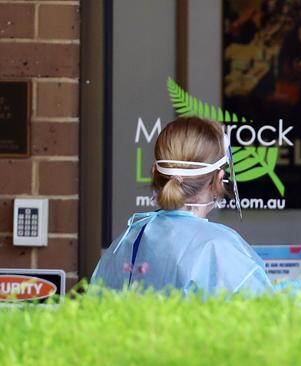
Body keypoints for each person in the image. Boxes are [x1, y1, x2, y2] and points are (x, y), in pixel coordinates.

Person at [92, 117, 271, 296]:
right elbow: (269, 315)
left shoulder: (130, 239)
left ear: (155, 173)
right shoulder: (218, 248)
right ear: (218, 179)